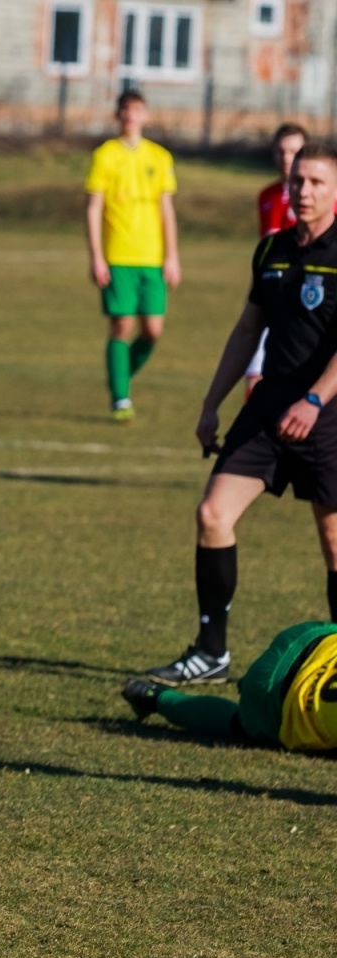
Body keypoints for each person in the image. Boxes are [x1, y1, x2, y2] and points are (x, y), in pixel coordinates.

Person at [145, 141, 337, 686]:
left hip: (327, 412)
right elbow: (248, 330)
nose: (303, 191)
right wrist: (212, 402)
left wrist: (316, 399)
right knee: (212, 515)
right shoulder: (271, 250)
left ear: (335, 191)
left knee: (334, 540)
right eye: (299, 180)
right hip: (269, 407)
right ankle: (211, 653)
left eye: (317, 183)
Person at [84, 89, 180, 422]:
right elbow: (94, 206)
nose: (131, 115)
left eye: (137, 109)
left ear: (146, 115)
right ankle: (120, 396)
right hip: (118, 255)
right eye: (125, 109)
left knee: (153, 330)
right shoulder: (105, 155)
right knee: (122, 324)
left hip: (152, 258)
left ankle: (121, 373)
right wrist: (96, 255)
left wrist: (172, 256)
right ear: (118, 115)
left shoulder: (160, 157)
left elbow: (166, 209)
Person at [124, 621, 337, 749]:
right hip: (270, 696)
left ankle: (147, 693)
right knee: (239, 725)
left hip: (311, 635)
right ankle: (155, 697)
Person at [246, 123, 309, 397]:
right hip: (269, 292)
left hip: (305, 296)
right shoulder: (267, 196)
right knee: (253, 374)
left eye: (294, 151)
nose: (286, 158)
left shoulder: (322, 197)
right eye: (281, 151)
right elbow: (265, 249)